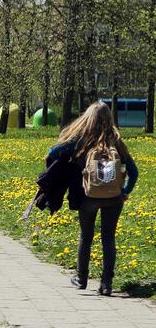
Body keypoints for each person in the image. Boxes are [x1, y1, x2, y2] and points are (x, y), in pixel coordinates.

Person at [47, 102, 138, 296]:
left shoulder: (81, 140)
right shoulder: (117, 142)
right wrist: (124, 191)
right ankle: (106, 284)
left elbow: (52, 153)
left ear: (88, 119)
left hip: (88, 196)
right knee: (108, 239)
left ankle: (81, 278)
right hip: (114, 198)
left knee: (86, 236)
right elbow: (134, 172)